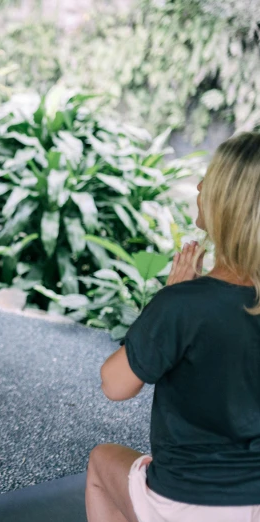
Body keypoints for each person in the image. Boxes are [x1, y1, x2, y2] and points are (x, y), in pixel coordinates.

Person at [85, 131, 260, 522]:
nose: (198, 186)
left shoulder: (182, 305)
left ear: (227, 205)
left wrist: (166, 301)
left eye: (209, 179)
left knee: (101, 462)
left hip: (190, 500)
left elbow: (114, 385)